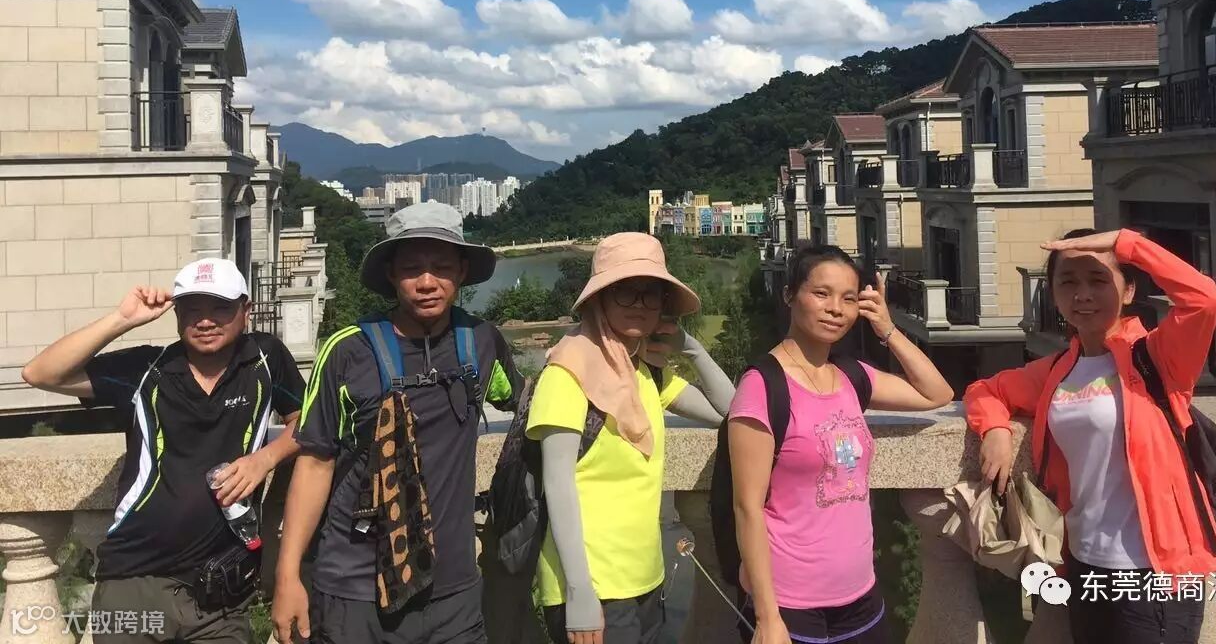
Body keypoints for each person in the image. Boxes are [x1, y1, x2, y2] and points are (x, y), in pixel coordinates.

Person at [273, 202, 523, 644]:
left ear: (462, 271)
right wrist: (287, 575)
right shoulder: (347, 351)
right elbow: (314, 463)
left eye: (441, 267)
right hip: (355, 591)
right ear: (391, 274)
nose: (427, 282)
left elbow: (525, 403)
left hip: (454, 594)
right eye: (411, 269)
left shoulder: (482, 342)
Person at [21, 258, 307, 644]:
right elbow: (40, 373)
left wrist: (265, 459)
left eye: (220, 308)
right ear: (177, 314)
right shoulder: (148, 367)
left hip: (220, 594)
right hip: (132, 582)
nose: (205, 321)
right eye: (192, 309)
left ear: (246, 310)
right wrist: (122, 319)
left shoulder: (265, 358)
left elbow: (308, 421)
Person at [964, 228, 1216, 644]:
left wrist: (1126, 242)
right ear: (1053, 293)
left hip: (1155, 571)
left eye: (1099, 280)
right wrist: (995, 429)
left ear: (1128, 290)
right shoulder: (1057, 370)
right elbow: (984, 390)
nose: (1082, 294)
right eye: (1068, 282)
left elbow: (1204, 299)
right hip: (1083, 562)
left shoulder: (1158, 358)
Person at [728, 244, 953, 644]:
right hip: (790, 602)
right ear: (789, 294)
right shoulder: (763, 386)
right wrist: (767, 616)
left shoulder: (851, 376)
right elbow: (747, 507)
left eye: (849, 299)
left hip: (860, 593)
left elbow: (937, 393)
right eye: (821, 293)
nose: (836, 309)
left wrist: (887, 328)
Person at [526, 232, 736, 644]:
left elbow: (732, 413)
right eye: (625, 292)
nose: (639, 304)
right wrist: (579, 594)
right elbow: (558, 484)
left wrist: (692, 349)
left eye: (650, 294)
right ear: (600, 299)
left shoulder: (644, 371)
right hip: (591, 587)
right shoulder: (567, 373)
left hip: (646, 578)